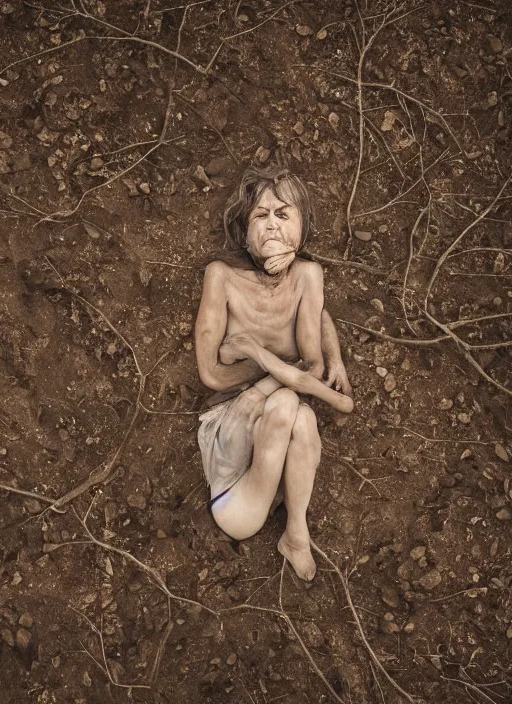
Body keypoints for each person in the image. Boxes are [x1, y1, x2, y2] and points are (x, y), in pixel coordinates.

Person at [193, 162, 354, 580]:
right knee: (289, 403)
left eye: (283, 215)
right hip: (233, 481)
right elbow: (210, 374)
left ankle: (295, 532)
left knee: (294, 409)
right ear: (245, 233)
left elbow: (314, 355)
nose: (271, 226)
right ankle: (281, 515)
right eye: (260, 216)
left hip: (276, 430)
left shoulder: (306, 276)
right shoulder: (222, 277)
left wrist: (327, 360)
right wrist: (275, 378)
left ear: (302, 230)